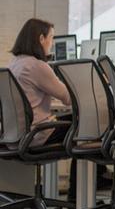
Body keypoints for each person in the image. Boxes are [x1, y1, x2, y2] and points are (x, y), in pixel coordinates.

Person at [8, 19, 72, 147]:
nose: (52, 44)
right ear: (41, 39)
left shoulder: (13, 63)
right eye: (51, 38)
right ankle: (100, 165)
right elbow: (69, 98)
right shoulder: (36, 66)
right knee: (85, 122)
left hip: (14, 136)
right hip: (36, 135)